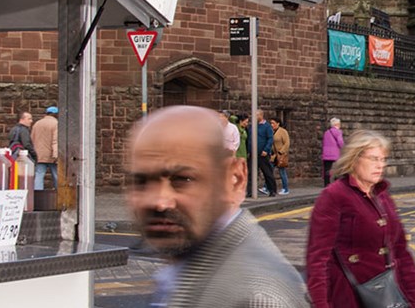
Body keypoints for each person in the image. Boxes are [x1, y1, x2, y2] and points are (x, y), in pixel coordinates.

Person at [123, 106, 307, 308]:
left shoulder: (257, 297)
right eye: (140, 181)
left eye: (183, 179)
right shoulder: (188, 266)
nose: (159, 201)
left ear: (235, 179)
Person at [306, 131, 415, 308]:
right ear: (354, 159)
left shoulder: (382, 196)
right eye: (373, 159)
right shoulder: (334, 196)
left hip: (387, 296)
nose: (380, 165)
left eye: (382, 159)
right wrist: (320, 303)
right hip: (348, 296)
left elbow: (400, 251)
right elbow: (318, 259)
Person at [31, 106, 60, 189]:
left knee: (39, 175)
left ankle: (37, 195)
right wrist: (56, 155)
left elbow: (32, 139)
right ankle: (59, 194)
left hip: (39, 155)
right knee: (56, 175)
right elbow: (55, 141)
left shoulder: (37, 123)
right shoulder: (56, 124)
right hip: (51, 155)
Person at [254, 111, 278, 197]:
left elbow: (270, 139)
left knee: (267, 172)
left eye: (256, 115)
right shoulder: (254, 125)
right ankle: (251, 191)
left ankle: (272, 190)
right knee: (252, 172)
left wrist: (266, 150)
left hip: (263, 153)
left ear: (261, 115)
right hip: (254, 153)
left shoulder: (267, 126)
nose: (255, 116)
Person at [271, 117, 292, 195]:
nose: (271, 125)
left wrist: (281, 151)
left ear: (278, 123)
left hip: (280, 155)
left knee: (282, 171)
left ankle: (285, 189)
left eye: (273, 123)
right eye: (271, 123)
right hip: (274, 155)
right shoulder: (272, 131)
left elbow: (287, 143)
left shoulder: (283, 131)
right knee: (269, 170)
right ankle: (266, 187)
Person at [321, 118, 344, 187]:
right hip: (335, 154)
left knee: (327, 169)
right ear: (336, 124)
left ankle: (326, 184)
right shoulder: (338, 132)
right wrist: (344, 148)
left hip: (326, 154)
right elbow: (340, 142)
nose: (340, 125)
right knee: (337, 168)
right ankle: (337, 183)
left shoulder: (326, 132)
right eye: (339, 124)